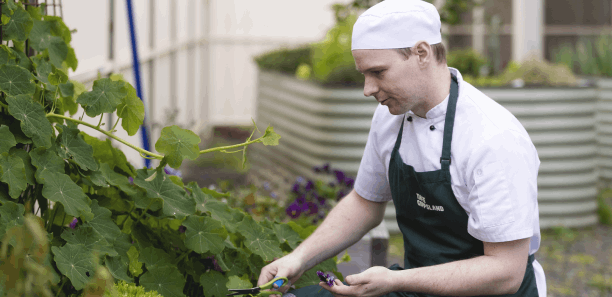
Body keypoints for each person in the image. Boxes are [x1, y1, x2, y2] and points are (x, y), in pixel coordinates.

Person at [257, 0, 546, 296]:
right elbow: (365, 203)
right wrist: (299, 259)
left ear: (421, 53)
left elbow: (506, 272)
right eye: (364, 75)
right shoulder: (390, 116)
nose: (367, 89)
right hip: (418, 287)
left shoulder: (493, 138)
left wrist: (395, 281)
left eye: (378, 72)